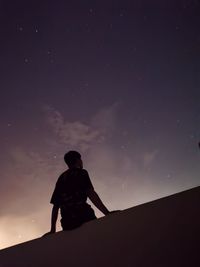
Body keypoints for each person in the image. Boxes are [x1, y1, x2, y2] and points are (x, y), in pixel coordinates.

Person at [45, 151, 110, 235]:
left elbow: (55, 206)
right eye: (80, 159)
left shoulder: (61, 178)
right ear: (78, 160)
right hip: (84, 215)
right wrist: (107, 213)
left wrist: (53, 230)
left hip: (67, 222)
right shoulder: (82, 173)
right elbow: (91, 193)